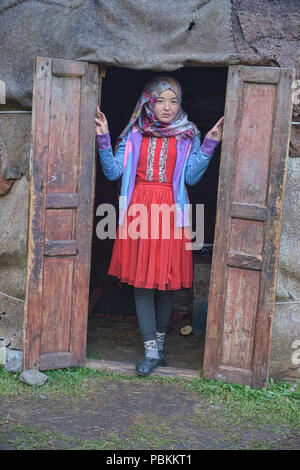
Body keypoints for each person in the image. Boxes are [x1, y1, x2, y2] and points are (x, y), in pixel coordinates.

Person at [95, 76, 223, 376]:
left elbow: (190, 178)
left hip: (171, 212)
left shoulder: (188, 135)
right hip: (139, 210)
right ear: (148, 102)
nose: (167, 107)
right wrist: (103, 137)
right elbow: (113, 172)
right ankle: (151, 351)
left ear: (180, 104)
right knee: (142, 284)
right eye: (161, 100)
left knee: (167, 284)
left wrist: (210, 144)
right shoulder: (134, 134)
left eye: (173, 100)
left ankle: (160, 344)